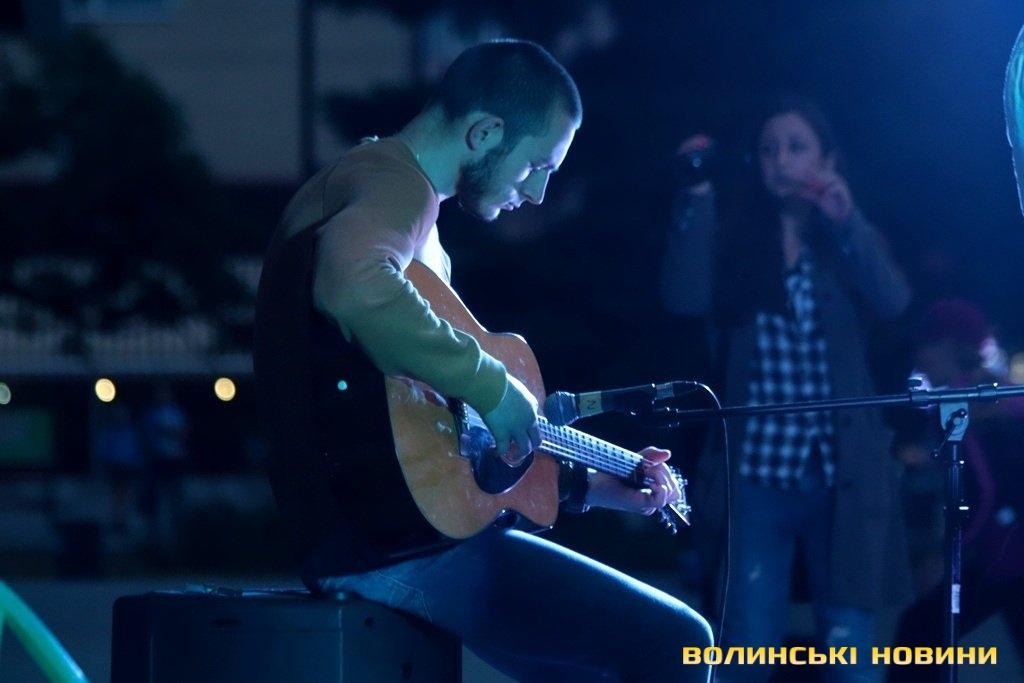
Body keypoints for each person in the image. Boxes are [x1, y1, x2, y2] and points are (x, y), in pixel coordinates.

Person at [253, 39, 712, 682]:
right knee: (680, 642)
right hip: (388, 549)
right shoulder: (392, 182)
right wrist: (493, 386)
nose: (541, 192)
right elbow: (353, 284)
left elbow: (436, 446)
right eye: (536, 166)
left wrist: (600, 486)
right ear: (486, 133)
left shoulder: (399, 208)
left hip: (390, 536)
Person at [660, 94, 913, 683]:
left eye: (797, 146)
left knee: (850, 645)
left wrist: (847, 220)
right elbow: (683, 297)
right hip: (755, 471)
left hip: (842, 471)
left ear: (827, 157)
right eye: (769, 148)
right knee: (747, 642)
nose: (781, 160)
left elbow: (894, 301)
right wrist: (697, 195)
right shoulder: (736, 239)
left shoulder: (844, 238)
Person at [887, 298, 1024, 682]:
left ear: (947, 344)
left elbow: (982, 493)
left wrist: (946, 558)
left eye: (925, 344)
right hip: (1009, 554)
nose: (918, 355)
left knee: (919, 637)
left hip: (1005, 556)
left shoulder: (960, 403)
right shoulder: (1001, 395)